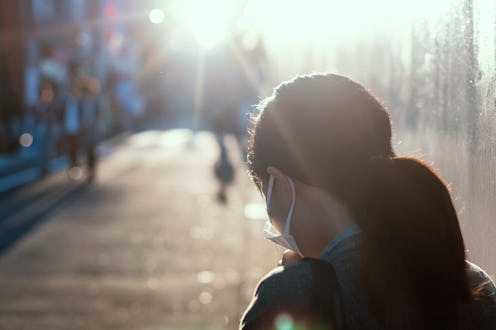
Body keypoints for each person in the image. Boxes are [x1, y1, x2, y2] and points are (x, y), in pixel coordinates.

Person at [240, 74, 496, 330]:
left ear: (281, 185)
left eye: (267, 193)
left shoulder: (292, 297)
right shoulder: (473, 285)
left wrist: (296, 281)